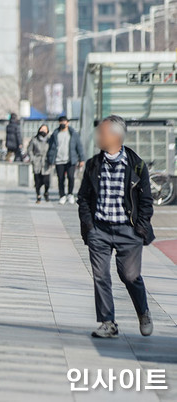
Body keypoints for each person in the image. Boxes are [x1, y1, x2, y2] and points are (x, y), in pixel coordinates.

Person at [77, 115, 155, 339]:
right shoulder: (94, 164)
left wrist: (140, 228)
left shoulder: (136, 165)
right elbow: (83, 198)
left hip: (128, 231)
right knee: (100, 276)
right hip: (99, 230)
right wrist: (89, 226)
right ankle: (108, 322)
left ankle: (143, 312)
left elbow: (146, 200)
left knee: (130, 276)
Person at [47, 115, 85, 204]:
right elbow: (51, 147)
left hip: (71, 159)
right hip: (59, 160)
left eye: (65, 121)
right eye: (61, 122)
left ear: (68, 123)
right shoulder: (55, 134)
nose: (63, 123)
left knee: (71, 177)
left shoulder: (73, 134)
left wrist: (81, 159)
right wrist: (50, 159)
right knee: (60, 178)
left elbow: (79, 146)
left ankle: (70, 194)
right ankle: (62, 195)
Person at [27, 124, 52, 203]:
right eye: (42, 129)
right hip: (37, 161)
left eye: (45, 130)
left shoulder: (50, 140)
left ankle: (46, 192)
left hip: (46, 162)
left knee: (46, 181)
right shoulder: (34, 140)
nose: (43, 131)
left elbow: (53, 150)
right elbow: (29, 150)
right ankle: (38, 196)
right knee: (37, 181)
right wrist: (32, 158)